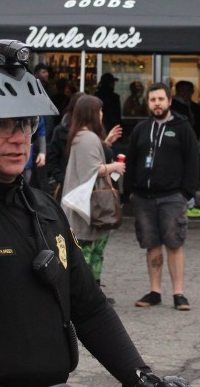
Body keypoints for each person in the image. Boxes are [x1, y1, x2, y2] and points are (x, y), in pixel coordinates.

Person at [0, 41, 188, 387]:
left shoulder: (42, 208)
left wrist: (140, 377)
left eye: (25, 124)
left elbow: (88, 306)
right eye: (2, 125)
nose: (18, 139)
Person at [123, 82, 199, 312]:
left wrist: (186, 192)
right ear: (148, 103)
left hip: (172, 197)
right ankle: (155, 291)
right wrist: (129, 193)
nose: (157, 104)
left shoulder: (183, 127)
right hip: (143, 198)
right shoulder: (141, 129)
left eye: (160, 99)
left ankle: (179, 293)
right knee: (151, 244)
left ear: (169, 101)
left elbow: (193, 161)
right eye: (152, 100)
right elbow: (131, 158)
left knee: (174, 244)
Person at [61, 95, 126, 287]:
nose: (102, 114)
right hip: (88, 207)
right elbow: (92, 170)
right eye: (99, 110)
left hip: (85, 205)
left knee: (90, 251)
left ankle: (92, 290)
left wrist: (106, 144)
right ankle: (89, 292)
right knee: (89, 253)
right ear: (91, 113)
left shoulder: (81, 136)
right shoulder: (87, 138)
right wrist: (114, 167)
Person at [171, 80, 200, 218]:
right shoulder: (173, 108)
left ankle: (189, 200)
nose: (186, 94)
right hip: (178, 146)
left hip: (193, 144)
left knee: (191, 173)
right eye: (183, 91)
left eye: (189, 91)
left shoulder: (195, 107)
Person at [45, 91, 85, 199]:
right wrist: (63, 180)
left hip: (88, 188)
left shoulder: (93, 131)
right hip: (67, 188)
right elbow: (52, 160)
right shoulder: (60, 131)